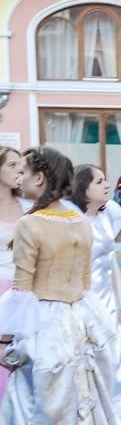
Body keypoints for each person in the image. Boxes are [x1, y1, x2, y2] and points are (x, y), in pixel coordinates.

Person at [0, 146, 121, 425]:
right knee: (81, 418)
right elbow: (85, 282)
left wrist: (6, 340)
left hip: (43, 323)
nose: (19, 177)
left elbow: (23, 289)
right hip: (78, 322)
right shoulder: (79, 221)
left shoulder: (31, 224)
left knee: (36, 422)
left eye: (24, 171)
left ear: (40, 178)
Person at [71, 165, 121, 425]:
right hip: (84, 301)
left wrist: (120, 302)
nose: (106, 185)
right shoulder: (74, 222)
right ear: (82, 188)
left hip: (108, 303)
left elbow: (110, 266)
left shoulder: (109, 215)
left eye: (105, 180)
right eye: (98, 181)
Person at [0, 147, 28, 403]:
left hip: (23, 289)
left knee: (21, 359)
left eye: (21, 165)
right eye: (11, 165)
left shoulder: (27, 205)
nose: (19, 170)